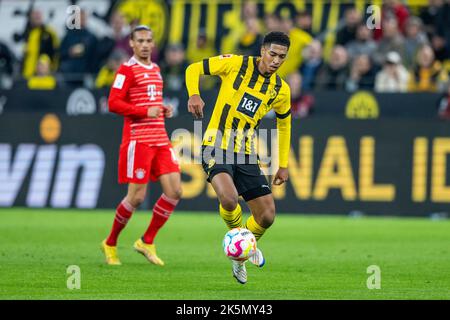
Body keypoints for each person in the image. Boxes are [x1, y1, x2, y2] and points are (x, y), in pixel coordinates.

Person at [185, 31, 291, 284]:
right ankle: (240, 242)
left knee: (267, 216)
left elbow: (284, 125)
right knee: (229, 198)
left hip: (245, 153)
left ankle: (240, 254)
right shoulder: (236, 64)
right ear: (263, 50)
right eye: (273, 54)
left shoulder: (281, 89)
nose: (276, 60)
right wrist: (194, 94)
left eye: (282, 57)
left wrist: (283, 164)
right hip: (215, 144)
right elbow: (193, 68)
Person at [101, 25, 182, 266]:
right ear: (132, 44)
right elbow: (113, 103)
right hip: (139, 140)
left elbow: (152, 102)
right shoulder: (126, 70)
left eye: (149, 40)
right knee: (136, 198)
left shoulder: (156, 69)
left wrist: (161, 110)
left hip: (160, 138)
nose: (146, 44)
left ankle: (147, 240)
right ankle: (111, 242)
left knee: (175, 191)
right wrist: (145, 111)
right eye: (141, 41)